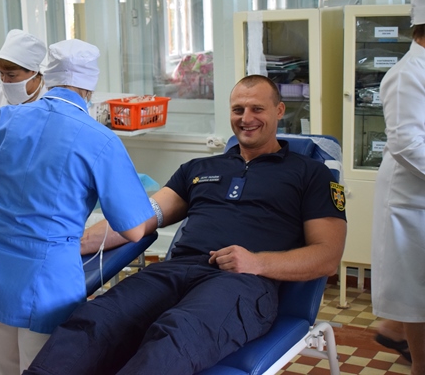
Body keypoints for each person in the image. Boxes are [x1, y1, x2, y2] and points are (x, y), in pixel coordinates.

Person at [23, 74, 347, 375]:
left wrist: (257, 263)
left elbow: (327, 256)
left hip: (243, 282)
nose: (246, 118)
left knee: (174, 336)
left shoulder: (310, 174)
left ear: (279, 111)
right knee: (96, 319)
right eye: (238, 109)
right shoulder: (198, 168)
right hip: (175, 271)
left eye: (257, 109)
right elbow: (139, 219)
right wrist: (74, 245)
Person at [0, 38, 155, 373]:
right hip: (47, 282)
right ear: (89, 87)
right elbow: (133, 230)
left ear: (46, 77)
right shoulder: (100, 139)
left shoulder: (7, 118)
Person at [371, 0, 425, 373]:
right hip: (410, 201)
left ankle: (392, 329)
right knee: (415, 292)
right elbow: (406, 143)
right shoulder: (407, 74)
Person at [0, 29, 47, 118]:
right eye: (1, 73)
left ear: (32, 71)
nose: (5, 80)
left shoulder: (50, 97)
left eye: (11, 75)